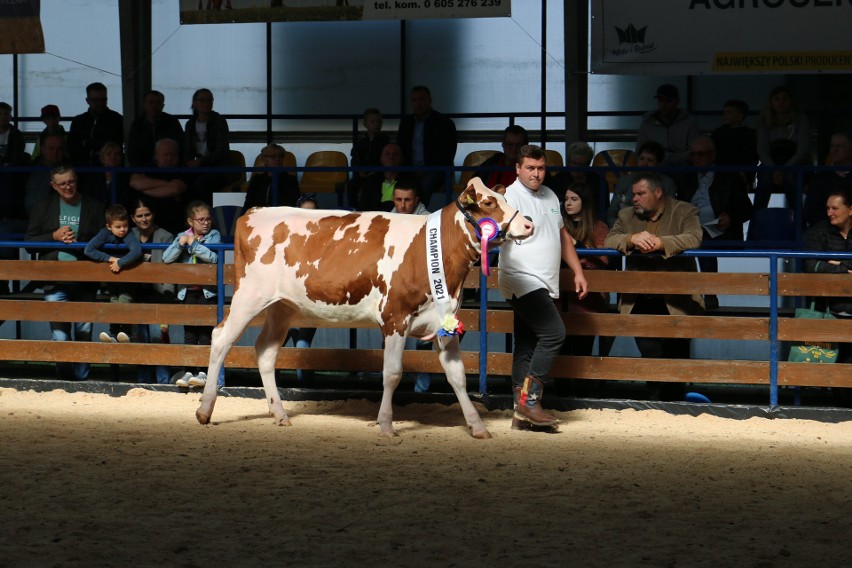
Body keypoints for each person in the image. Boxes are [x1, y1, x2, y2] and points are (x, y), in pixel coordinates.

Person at [498, 145, 588, 429]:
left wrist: (577, 271)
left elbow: (562, 236)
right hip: (521, 277)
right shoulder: (508, 197)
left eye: (540, 168)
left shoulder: (550, 194)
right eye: (530, 168)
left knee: (526, 344)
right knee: (554, 333)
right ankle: (531, 401)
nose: (536, 174)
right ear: (517, 169)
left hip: (544, 279)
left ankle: (519, 414)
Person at [604, 172, 704, 401]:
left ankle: (674, 403)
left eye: (640, 194)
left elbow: (694, 238)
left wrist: (661, 243)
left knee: (676, 353)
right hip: (641, 297)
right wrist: (632, 239)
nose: (635, 199)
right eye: (633, 195)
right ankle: (656, 401)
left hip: (677, 299)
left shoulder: (685, 211)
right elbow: (610, 239)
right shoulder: (625, 214)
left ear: (658, 193)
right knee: (650, 350)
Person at [25, 165, 106, 381]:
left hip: (86, 278)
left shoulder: (94, 207)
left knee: (83, 333)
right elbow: (30, 243)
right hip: (54, 279)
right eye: (62, 184)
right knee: (59, 335)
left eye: (71, 182)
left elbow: (106, 240)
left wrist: (81, 245)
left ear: (77, 180)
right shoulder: (42, 207)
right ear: (53, 186)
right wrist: (54, 236)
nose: (68, 186)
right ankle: (64, 382)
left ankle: (81, 382)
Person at [674, 136, 753, 310]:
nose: (696, 158)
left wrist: (731, 217)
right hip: (689, 227)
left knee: (703, 240)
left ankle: (707, 293)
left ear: (713, 155)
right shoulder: (685, 178)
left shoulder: (730, 177)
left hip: (721, 229)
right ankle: (681, 295)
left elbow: (747, 209)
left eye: (700, 154)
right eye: (693, 154)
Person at [163, 200, 221, 388]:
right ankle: (189, 371)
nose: (206, 223)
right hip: (186, 291)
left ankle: (203, 372)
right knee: (189, 332)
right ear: (191, 221)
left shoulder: (214, 235)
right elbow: (166, 258)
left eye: (208, 219)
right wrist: (182, 243)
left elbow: (213, 257)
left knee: (205, 332)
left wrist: (193, 246)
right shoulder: (182, 235)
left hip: (207, 292)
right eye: (201, 219)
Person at [802, 186, 852, 406]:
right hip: (829, 309)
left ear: (850, 210)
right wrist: (843, 269)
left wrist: (833, 262)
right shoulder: (819, 231)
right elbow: (810, 264)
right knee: (838, 360)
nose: (829, 212)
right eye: (827, 208)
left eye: (835, 208)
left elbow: (821, 264)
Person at [387, 179, 434, 392]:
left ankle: (421, 391)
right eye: (398, 200)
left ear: (416, 200)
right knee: (389, 337)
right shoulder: (386, 220)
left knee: (424, 338)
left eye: (407, 200)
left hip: (423, 291)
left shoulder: (428, 221)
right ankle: (390, 389)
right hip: (394, 290)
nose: (403, 205)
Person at [560, 182, 609, 358]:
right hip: (560, 296)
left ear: (585, 202)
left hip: (588, 298)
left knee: (582, 350)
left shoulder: (598, 227)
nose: (568, 203)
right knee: (560, 350)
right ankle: (561, 386)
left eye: (574, 199)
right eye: (566, 199)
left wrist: (575, 252)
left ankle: (581, 386)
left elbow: (603, 259)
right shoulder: (559, 226)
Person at [129, 197, 175, 384]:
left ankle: (163, 381)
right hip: (136, 294)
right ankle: (143, 381)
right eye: (139, 216)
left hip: (159, 296)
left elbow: (170, 270)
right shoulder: (128, 234)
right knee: (140, 340)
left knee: (159, 338)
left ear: (153, 215)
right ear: (133, 218)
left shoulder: (165, 236)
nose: (144, 219)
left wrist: (168, 300)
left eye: (147, 214)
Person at [83, 203, 143, 344]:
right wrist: (109, 258)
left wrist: (121, 263)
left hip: (128, 277)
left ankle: (126, 332)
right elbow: (88, 250)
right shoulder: (104, 233)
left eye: (125, 226)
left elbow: (136, 251)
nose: (123, 230)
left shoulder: (129, 234)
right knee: (114, 301)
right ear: (108, 226)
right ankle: (114, 333)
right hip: (112, 277)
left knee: (124, 300)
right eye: (118, 227)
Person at [396, 85, 457, 207]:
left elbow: (447, 154)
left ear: (429, 101)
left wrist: (425, 170)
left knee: (424, 185)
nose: (418, 104)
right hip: (409, 170)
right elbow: (400, 149)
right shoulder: (406, 123)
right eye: (414, 100)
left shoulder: (444, 123)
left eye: (422, 99)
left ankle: (419, 219)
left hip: (435, 170)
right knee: (393, 184)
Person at [753, 85, 812, 210]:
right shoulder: (764, 120)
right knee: (765, 180)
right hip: (771, 162)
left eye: (785, 98)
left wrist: (784, 169)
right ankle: (756, 223)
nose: (781, 102)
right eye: (777, 99)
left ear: (791, 101)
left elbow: (802, 150)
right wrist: (774, 169)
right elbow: (762, 149)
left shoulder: (801, 119)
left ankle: (798, 222)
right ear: (771, 102)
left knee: (791, 179)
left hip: (794, 161)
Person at [283, 194, 320, 384]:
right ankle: (270, 388)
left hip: (310, 300)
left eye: (313, 213)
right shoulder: (287, 238)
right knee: (275, 343)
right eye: (304, 213)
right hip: (287, 299)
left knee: (303, 345)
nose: (309, 217)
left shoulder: (323, 239)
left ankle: (306, 390)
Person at [607, 141, 677, 228]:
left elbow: (670, 215)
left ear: (658, 164)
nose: (644, 164)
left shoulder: (667, 183)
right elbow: (612, 212)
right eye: (642, 159)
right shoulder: (624, 181)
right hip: (625, 230)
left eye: (650, 160)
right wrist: (619, 230)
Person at [128, 138, 191, 234]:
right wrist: (166, 184)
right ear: (156, 155)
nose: (169, 158)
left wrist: (145, 189)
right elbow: (134, 182)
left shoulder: (183, 170)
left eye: (173, 155)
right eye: (166, 155)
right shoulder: (148, 169)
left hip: (175, 224)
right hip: (148, 224)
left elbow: (175, 189)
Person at [184, 88, 231, 204]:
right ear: (194, 103)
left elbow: (222, 151)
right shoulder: (190, 124)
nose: (206, 103)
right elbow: (187, 150)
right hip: (200, 168)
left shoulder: (219, 121)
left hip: (219, 169)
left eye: (209, 100)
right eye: (202, 100)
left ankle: (206, 215)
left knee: (200, 183)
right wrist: (187, 162)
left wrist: (200, 161)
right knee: (183, 181)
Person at [636, 84, 700, 166]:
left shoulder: (689, 122)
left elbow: (694, 151)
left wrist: (666, 158)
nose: (663, 104)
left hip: (682, 169)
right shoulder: (647, 123)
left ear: (677, 102)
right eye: (660, 100)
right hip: (656, 169)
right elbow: (640, 151)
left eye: (668, 101)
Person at [67, 82, 124, 167]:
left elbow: (116, 145)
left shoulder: (117, 120)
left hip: (107, 171)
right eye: (96, 100)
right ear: (87, 101)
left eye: (103, 100)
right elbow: (71, 147)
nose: (100, 104)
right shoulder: (78, 121)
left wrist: (86, 143)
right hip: (82, 171)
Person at [803, 131, 852, 228]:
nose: (834, 150)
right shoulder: (820, 178)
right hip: (825, 230)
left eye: (840, 146)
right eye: (832, 146)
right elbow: (811, 212)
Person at [126, 89, 185, 167]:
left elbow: (181, 146)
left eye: (158, 103)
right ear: (144, 104)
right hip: (145, 169)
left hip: (169, 167)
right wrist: (140, 169)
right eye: (151, 102)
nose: (154, 105)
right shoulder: (137, 125)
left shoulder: (172, 122)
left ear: (162, 106)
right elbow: (132, 152)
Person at [347, 107, 389, 209]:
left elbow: (386, 160)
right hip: (362, 173)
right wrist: (359, 171)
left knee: (372, 185)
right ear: (365, 123)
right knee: (351, 186)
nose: (376, 124)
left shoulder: (384, 140)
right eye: (372, 121)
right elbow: (355, 158)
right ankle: (355, 210)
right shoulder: (361, 141)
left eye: (378, 121)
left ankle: (370, 210)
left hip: (379, 173)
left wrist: (377, 170)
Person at [711, 99, 758, 184]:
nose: (724, 115)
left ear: (740, 116)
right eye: (724, 112)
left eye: (728, 113)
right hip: (718, 174)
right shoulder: (717, 133)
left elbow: (751, 157)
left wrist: (745, 174)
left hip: (741, 175)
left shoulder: (750, 135)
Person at [243, 143, 300, 209]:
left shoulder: (290, 180)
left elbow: (293, 204)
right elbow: (248, 204)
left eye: (280, 156)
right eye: (273, 156)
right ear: (264, 159)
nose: (277, 159)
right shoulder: (257, 180)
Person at [24, 133, 68, 217]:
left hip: (52, 220)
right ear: (42, 149)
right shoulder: (29, 168)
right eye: (51, 148)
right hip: (24, 218)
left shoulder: (69, 172)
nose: (55, 152)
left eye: (59, 149)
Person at [357, 143, 406, 212]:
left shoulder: (411, 181)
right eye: (387, 154)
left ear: (401, 159)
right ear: (381, 158)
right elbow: (363, 208)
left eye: (395, 154)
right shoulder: (370, 181)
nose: (391, 157)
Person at [81, 141, 130, 205]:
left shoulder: (125, 177)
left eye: (117, 154)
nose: (113, 157)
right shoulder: (93, 176)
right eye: (109, 154)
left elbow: (125, 199)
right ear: (103, 157)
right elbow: (88, 197)